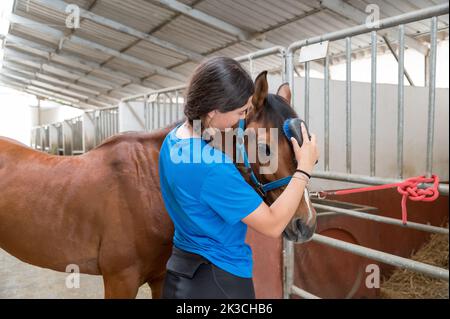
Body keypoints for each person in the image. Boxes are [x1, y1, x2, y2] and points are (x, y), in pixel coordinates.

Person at [158, 56, 319, 299]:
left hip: (181, 275)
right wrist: (304, 169)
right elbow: (274, 224)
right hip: (221, 283)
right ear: (213, 110)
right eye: (240, 112)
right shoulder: (213, 168)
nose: (241, 120)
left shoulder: (173, 140)